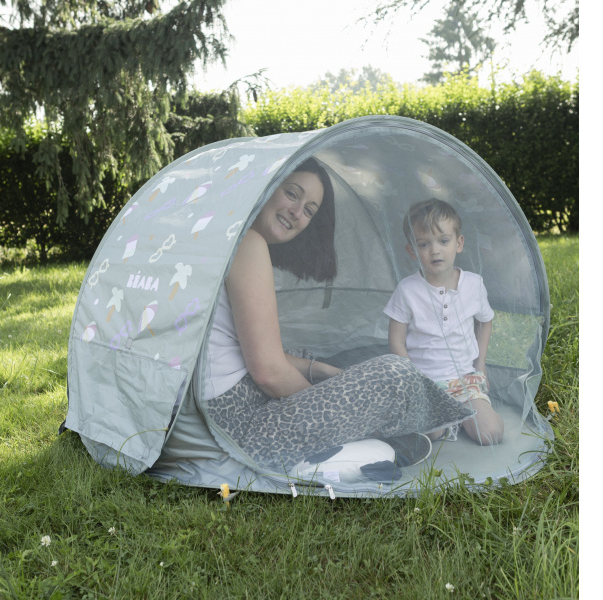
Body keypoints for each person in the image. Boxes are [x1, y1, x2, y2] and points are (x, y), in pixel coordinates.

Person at [204, 159, 474, 470]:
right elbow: (267, 372)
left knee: (308, 359)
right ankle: (383, 439)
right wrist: (335, 409)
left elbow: (252, 352)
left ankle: (379, 437)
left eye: (309, 210)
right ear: (266, 187)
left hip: (224, 408)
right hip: (238, 429)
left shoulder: (228, 236)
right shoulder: (248, 243)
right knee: (394, 374)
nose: (297, 213)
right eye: (292, 194)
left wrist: (324, 372)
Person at [384, 198, 504, 446]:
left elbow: (485, 321)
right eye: (424, 244)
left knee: (490, 434)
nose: (435, 250)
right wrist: (415, 382)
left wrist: (480, 364)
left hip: (465, 379)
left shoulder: (474, 284)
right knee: (428, 434)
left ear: (459, 243)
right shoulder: (407, 289)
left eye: (443, 241)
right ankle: (447, 423)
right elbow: (396, 341)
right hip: (426, 383)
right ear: (412, 251)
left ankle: (463, 415)